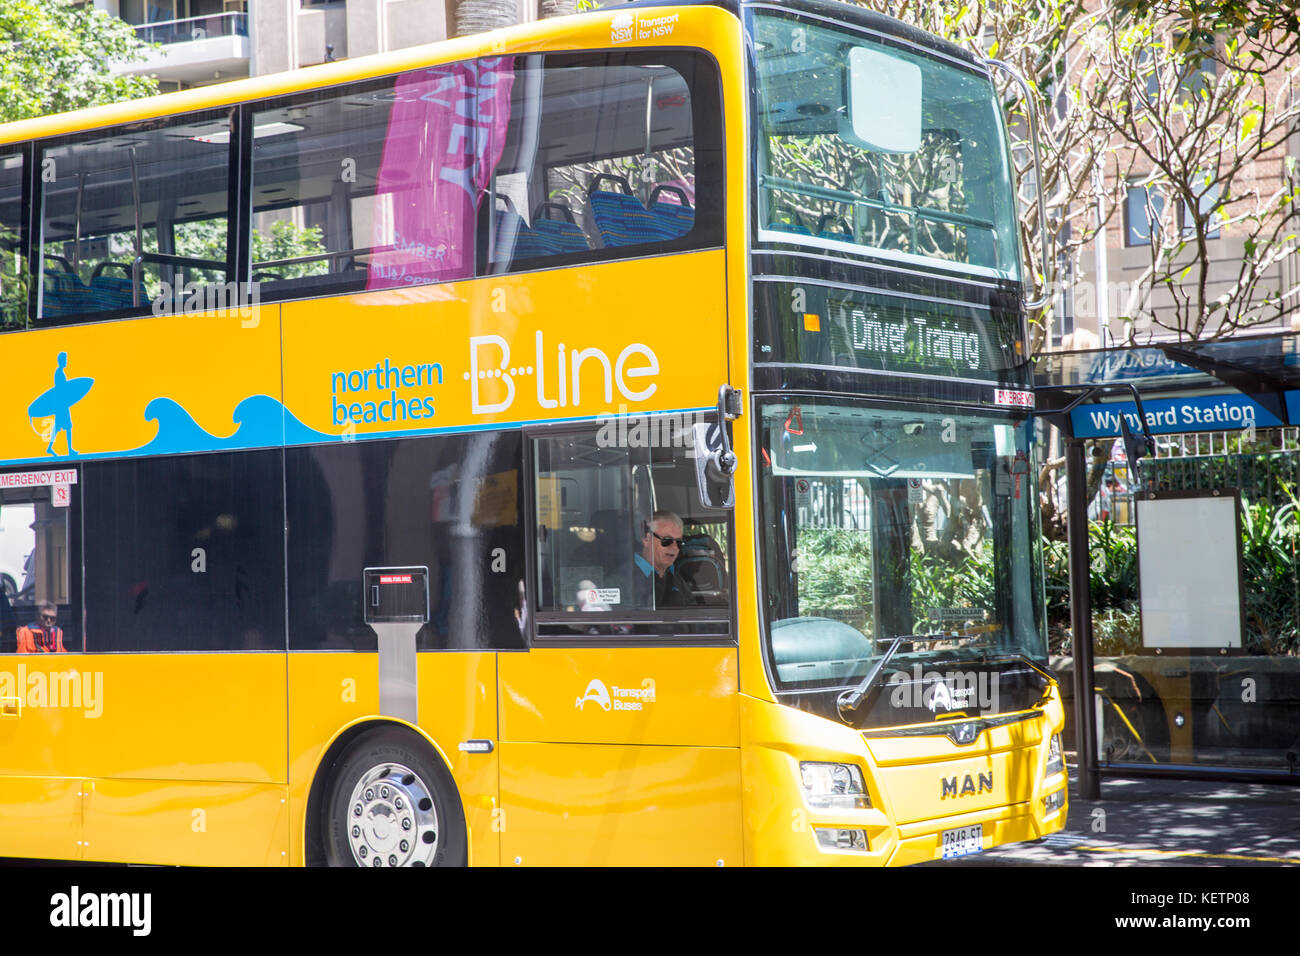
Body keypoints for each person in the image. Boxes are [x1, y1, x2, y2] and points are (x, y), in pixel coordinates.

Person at [631, 511, 693, 608]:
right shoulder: (623, 580)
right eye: (667, 540)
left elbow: (693, 617)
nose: (674, 547)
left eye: (679, 542)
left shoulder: (677, 579)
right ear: (646, 539)